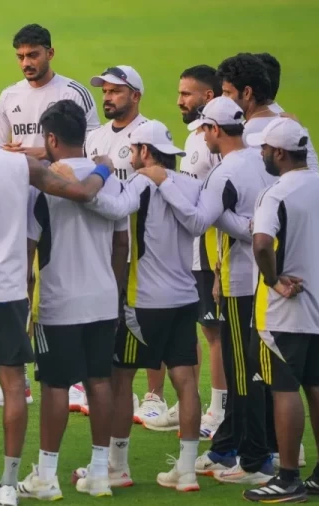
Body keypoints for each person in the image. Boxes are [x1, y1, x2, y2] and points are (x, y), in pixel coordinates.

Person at [0, 97, 111, 506]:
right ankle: (9, 486)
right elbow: (81, 192)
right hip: (11, 294)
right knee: (14, 385)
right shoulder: (22, 166)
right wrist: (103, 167)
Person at [138, 96, 276, 485]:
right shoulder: (261, 161)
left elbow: (199, 222)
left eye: (203, 129)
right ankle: (229, 447)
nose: (201, 136)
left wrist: (165, 183)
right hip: (262, 278)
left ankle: (255, 462)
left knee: (241, 374)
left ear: (215, 130)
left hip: (241, 282)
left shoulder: (224, 172)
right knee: (253, 369)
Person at [79, 119, 205, 493]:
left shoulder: (141, 182)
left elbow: (115, 208)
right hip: (185, 298)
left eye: (133, 150)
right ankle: (187, 470)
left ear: (145, 152)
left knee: (120, 381)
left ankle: (117, 466)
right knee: (186, 382)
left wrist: (83, 188)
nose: (130, 156)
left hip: (143, 303)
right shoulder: (189, 184)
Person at [15, 100, 128, 500]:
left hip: (59, 303)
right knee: (100, 381)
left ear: (51, 138)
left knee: (55, 385)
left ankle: (46, 476)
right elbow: (122, 245)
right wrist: (114, 294)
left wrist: (26, 305)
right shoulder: (110, 181)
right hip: (103, 299)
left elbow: (28, 253)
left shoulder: (43, 186)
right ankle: (99, 474)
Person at [0, 22, 101, 408]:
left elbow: (93, 144)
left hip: (63, 198)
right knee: (20, 278)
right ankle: (18, 377)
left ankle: (77, 377)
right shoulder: (9, 96)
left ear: (50, 52)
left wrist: (38, 154)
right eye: (20, 56)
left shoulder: (73, 93)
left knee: (64, 277)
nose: (26, 62)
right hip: (21, 199)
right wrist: (11, 155)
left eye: (33, 54)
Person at [242, 118, 319, 502]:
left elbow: (261, 244)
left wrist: (273, 280)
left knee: (283, 389)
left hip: (281, 313)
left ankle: (287, 479)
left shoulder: (276, 194)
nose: (262, 154)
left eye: (265, 149)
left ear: (280, 153)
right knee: (318, 384)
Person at [157, 64, 226, 437]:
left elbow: (221, 198)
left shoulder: (214, 140)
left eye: (186, 94)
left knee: (215, 332)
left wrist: (219, 263)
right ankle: (191, 405)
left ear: (208, 96)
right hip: (193, 249)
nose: (179, 100)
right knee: (199, 328)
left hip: (212, 249)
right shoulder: (196, 136)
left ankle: (218, 410)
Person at [84, 65, 149, 421]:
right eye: (105, 91)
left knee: (144, 329)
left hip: (140, 251)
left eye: (115, 91)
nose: (107, 98)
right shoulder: (94, 137)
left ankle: (154, 396)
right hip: (100, 249)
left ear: (135, 96)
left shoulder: (149, 134)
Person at [218, 53, 319, 173]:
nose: (222, 98)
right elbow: (312, 171)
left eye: (227, 92)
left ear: (247, 93)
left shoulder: (245, 136)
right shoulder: (288, 121)